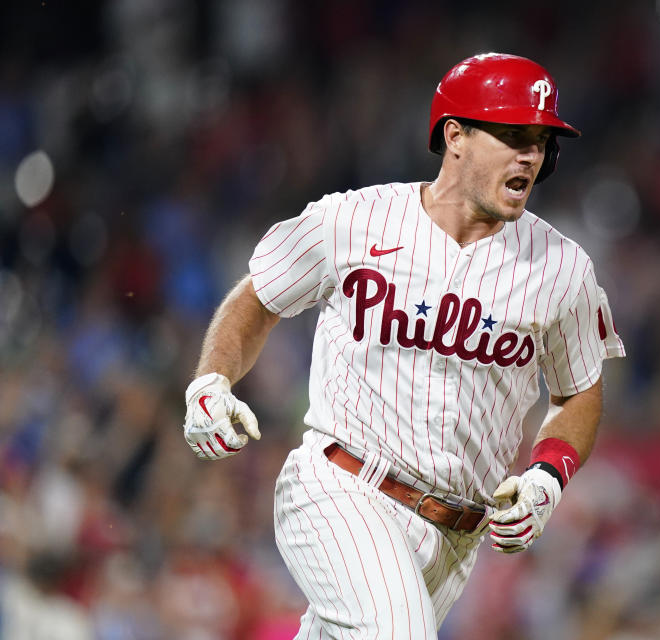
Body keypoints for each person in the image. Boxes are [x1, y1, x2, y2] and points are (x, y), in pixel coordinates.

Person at [182, 52, 625, 639]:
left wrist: (549, 474)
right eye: (514, 135)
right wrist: (212, 379)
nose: (531, 156)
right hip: (342, 489)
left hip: (454, 536)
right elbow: (257, 298)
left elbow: (579, 391)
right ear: (455, 136)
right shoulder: (353, 220)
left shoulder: (563, 269)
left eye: (541, 142)